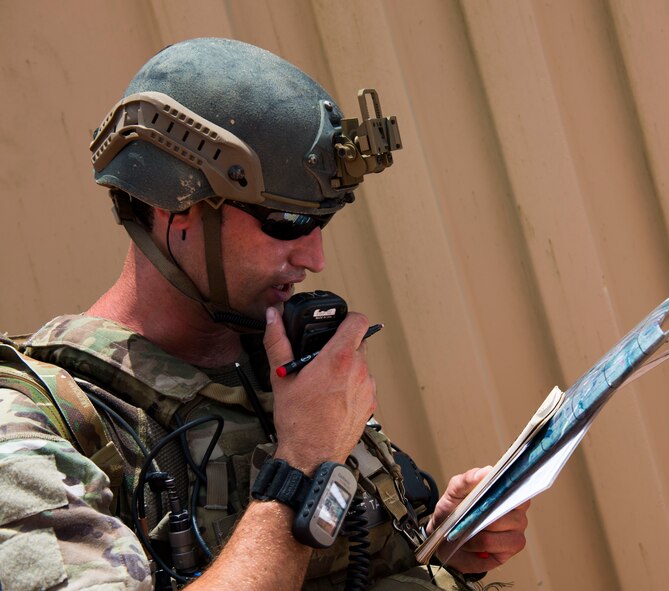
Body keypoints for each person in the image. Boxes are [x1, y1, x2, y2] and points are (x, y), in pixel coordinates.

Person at [0, 38, 528, 590]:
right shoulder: (31, 425)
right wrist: (303, 465)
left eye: (322, 222)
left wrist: (440, 543)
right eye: (286, 222)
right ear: (171, 206)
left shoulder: (280, 358)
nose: (314, 257)